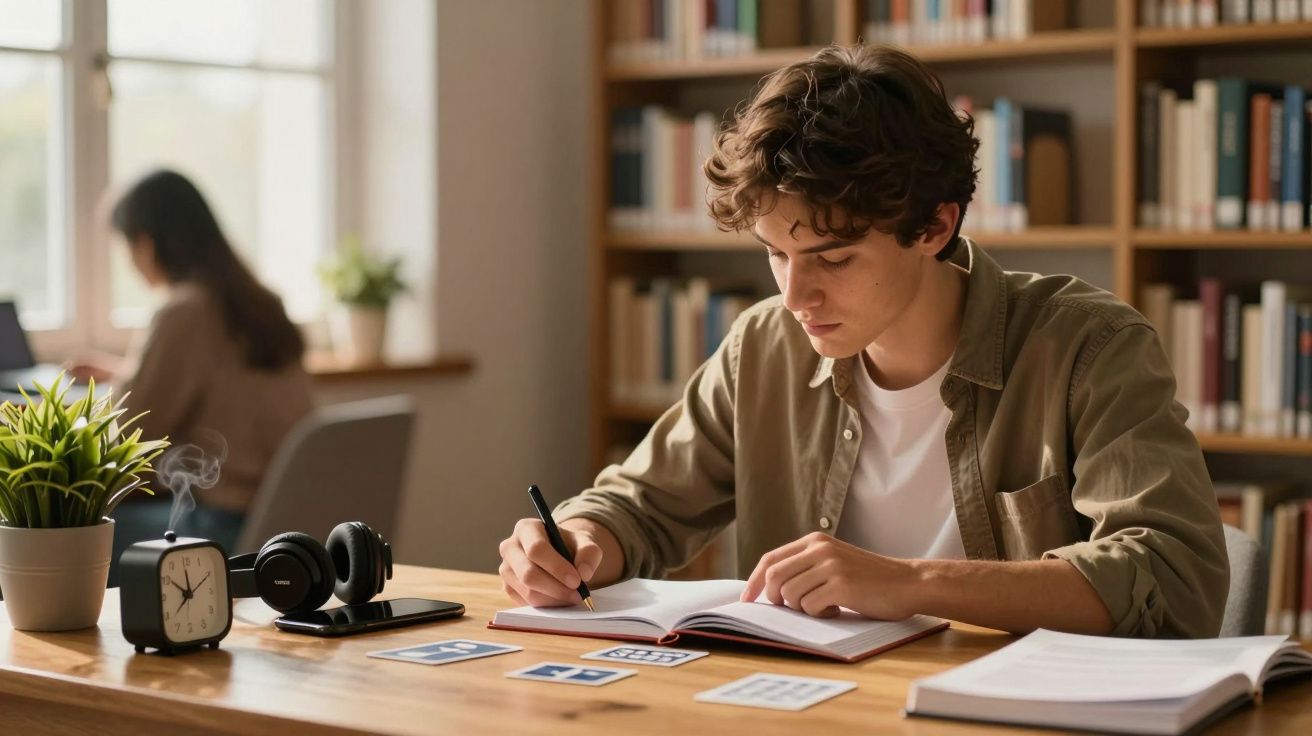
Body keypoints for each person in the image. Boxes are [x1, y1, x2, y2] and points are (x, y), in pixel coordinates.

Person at [498, 45, 1228, 638]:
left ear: (934, 228)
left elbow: (1173, 575)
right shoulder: (764, 347)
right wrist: (576, 540)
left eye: (833, 258)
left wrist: (908, 583)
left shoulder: (1088, 347)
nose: (794, 295)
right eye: (776, 253)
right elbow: (640, 504)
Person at [69, 169, 315, 570]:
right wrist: (123, 373)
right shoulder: (258, 304)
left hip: (222, 532)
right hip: (284, 527)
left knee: (43, 532)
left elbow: (127, 442)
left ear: (145, 243)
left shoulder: (184, 311)